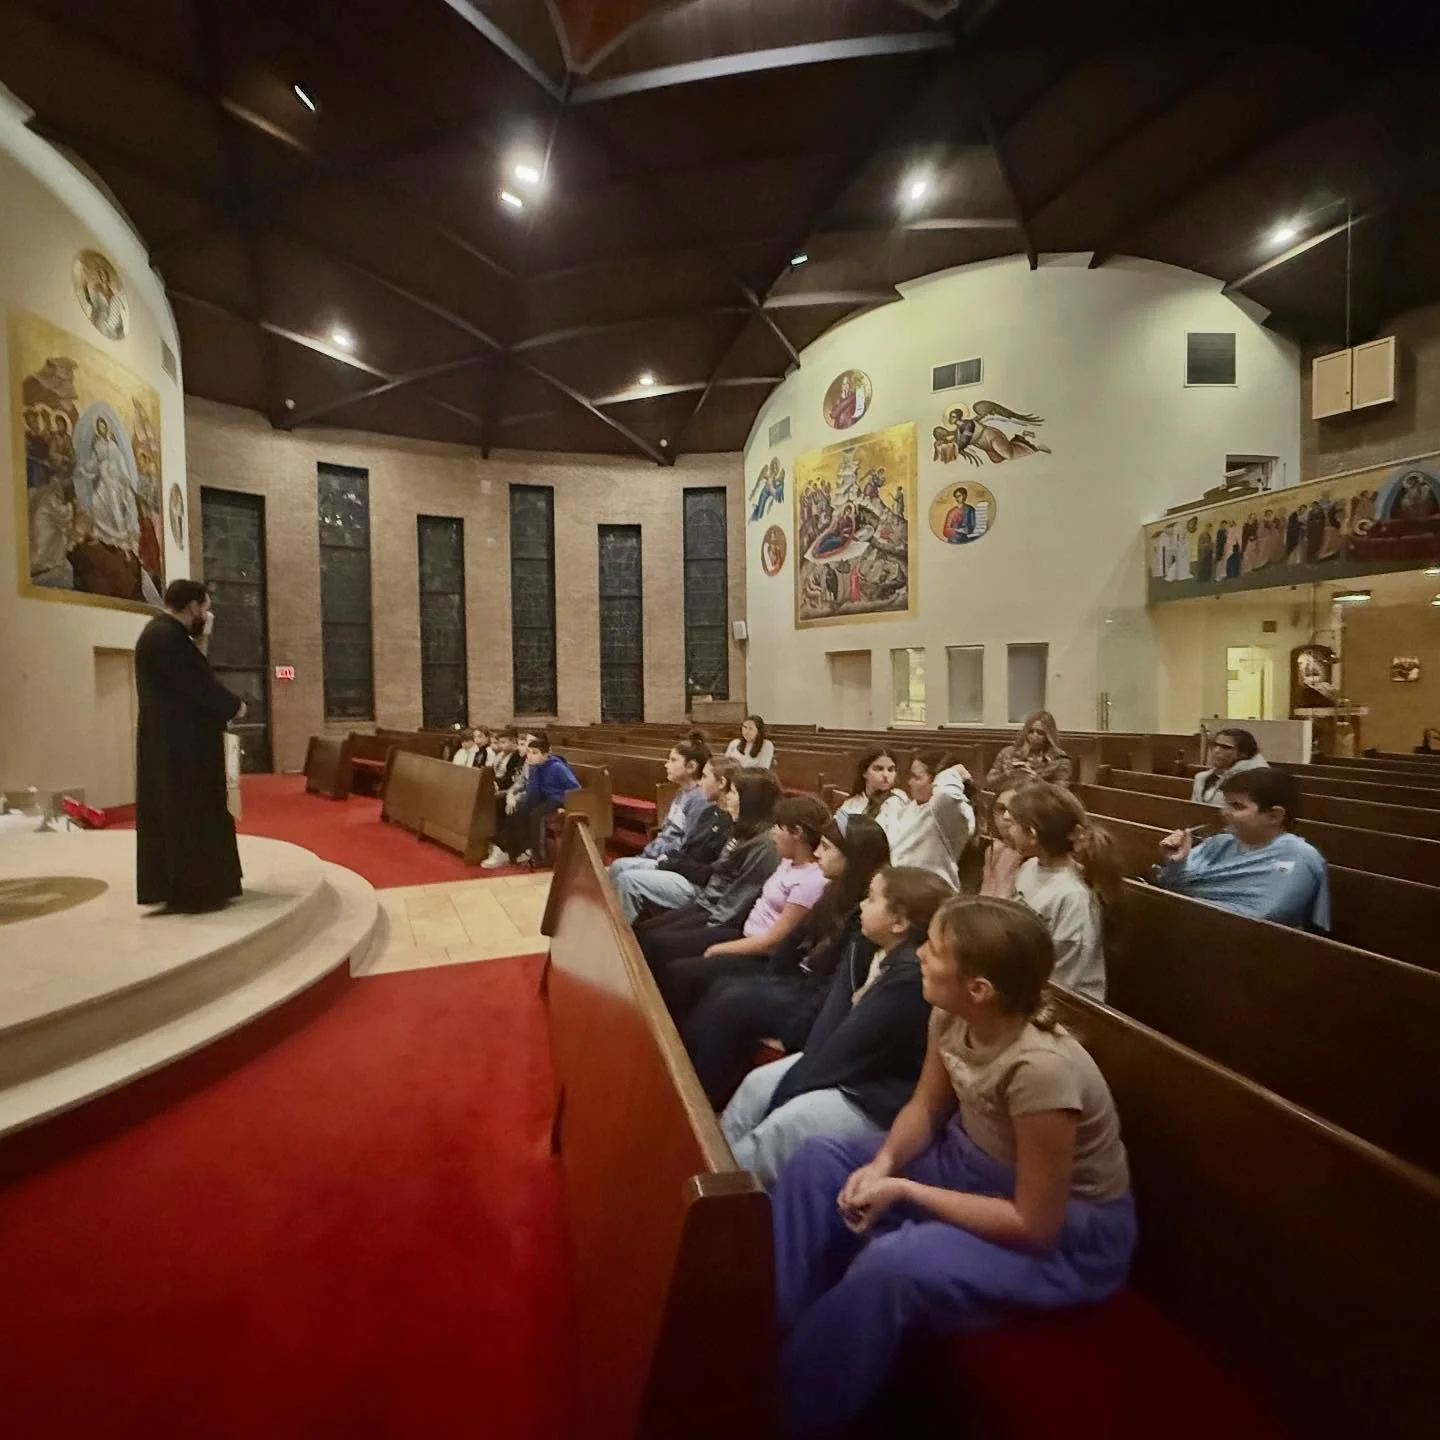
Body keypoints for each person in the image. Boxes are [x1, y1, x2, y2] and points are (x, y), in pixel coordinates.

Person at [771, 896, 1135, 1438]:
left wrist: (906, 1191)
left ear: (980, 988)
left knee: (896, 1262)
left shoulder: (1041, 1071)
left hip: (1066, 1231)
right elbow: (925, 1107)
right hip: (964, 1164)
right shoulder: (948, 1014)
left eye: (934, 950)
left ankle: (792, 1412)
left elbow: (1034, 1225)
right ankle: (787, 1327)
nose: (918, 954)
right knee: (818, 1161)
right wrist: (885, 1163)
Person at [719, 865, 952, 1188]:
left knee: (786, 1124)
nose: (861, 905)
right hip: (838, 1064)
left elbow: (853, 1046)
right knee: (756, 1086)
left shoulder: (909, 977)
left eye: (872, 899)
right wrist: (798, 1066)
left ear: (899, 923)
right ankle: (714, 1161)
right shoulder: (865, 945)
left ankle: (731, 1197)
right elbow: (831, 1016)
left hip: (874, 1092)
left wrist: (794, 1088)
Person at [684, 815, 892, 1108]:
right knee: (723, 986)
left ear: (854, 858)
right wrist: (769, 978)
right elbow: (794, 943)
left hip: (813, 1000)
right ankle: (686, 1074)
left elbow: (837, 988)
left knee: (732, 1000)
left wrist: (795, 1032)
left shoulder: (866, 918)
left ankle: (705, 1097)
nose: (818, 852)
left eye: (829, 848)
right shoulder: (833, 889)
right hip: (799, 981)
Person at [651, 794, 831, 1023]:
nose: (772, 832)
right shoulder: (787, 861)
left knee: (680, 972)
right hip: (744, 933)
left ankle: (671, 1036)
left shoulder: (811, 880)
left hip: (762, 956)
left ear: (797, 833)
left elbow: (774, 941)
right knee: (658, 945)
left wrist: (720, 949)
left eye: (778, 827)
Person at [134, 579, 245, 912]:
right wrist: (235, 706)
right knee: (192, 814)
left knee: (185, 815)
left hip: (176, 744)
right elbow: (199, 686)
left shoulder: (163, 634)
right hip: (183, 751)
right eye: (205, 609)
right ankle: (197, 890)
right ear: (193, 606)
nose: (206, 616)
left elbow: (194, 675)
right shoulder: (167, 638)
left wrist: (203, 637)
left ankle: (194, 886)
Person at [635, 769, 783, 968]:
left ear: (750, 801)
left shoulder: (765, 846)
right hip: (708, 903)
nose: (727, 797)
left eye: (733, 792)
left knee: (656, 943)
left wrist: (707, 925)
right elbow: (719, 869)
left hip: (725, 919)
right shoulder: (740, 829)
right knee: (642, 931)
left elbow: (741, 897)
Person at [1154, 768, 1330, 932]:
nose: (1224, 812)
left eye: (1237, 806)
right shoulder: (1219, 843)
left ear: (1274, 815)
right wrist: (1177, 863)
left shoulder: (1299, 857)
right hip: (1195, 931)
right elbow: (1173, 887)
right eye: (1227, 804)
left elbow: (1265, 916)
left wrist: (1186, 904)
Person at [1005, 783, 1120, 1002]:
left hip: (1068, 1005)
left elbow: (1064, 977)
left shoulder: (1073, 896)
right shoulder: (1030, 867)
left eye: (1012, 824)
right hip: (1028, 981)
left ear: (1032, 835)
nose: (1007, 830)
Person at [611, 756, 738, 922]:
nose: (700, 783)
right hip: (682, 870)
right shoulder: (710, 812)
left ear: (721, 783)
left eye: (705, 777)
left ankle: (621, 938)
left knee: (628, 881)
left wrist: (672, 864)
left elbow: (708, 871)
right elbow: (688, 848)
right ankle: (615, 920)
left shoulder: (731, 823)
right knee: (619, 866)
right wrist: (671, 860)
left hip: (695, 884)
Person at [608, 733, 712, 889]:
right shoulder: (682, 792)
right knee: (616, 867)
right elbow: (668, 830)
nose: (666, 765)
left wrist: (657, 856)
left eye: (673, 760)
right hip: (657, 853)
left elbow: (688, 844)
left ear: (691, 766)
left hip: (672, 861)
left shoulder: (699, 799)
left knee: (621, 872)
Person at [877, 750, 976, 888]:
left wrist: (953, 773)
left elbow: (946, 797)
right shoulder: (914, 806)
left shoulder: (952, 813)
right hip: (902, 886)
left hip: (932, 891)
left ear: (936, 782)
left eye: (916, 778)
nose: (909, 782)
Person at [481, 731, 579, 868]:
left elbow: (574, 787)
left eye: (534, 753)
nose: (530, 756)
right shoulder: (534, 766)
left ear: (545, 754)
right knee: (518, 811)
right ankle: (511, 849)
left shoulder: (557, 767)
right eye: (529, 752)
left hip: (558, 800)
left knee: (536, 814)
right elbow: (532, 792)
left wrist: (568, 804)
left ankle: (538, 855)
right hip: (542, 797)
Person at [985, 711, 1072, 790]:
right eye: (1030, 731)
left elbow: (1061, 793)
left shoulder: (1060, 760)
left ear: (1048, 735)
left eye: (1040, 733)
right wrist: (1007, 775)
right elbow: (989, 783)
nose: (1034, 736)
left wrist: (1037, 780)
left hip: (1039, 804)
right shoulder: (1007, 753)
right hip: (1007, 801)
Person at [835, 747, 907, 831]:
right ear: (865, 772)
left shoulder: (898, 800)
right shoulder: (852, 802)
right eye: (879, 769)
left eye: (890, 770)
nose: (885, 775)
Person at [1190, 727, 1267, 805]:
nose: (1216, 751)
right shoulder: (1201, 778)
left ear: (1243, 753)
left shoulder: (1252, 782)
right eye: (1215, 745)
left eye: (1226, 747)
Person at [979, 785, 1025, 898]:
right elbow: (985, 897)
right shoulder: (995, 850)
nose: (1006, 817)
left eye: (1015, 809)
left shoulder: (1039, 861)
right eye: (1001, 809)